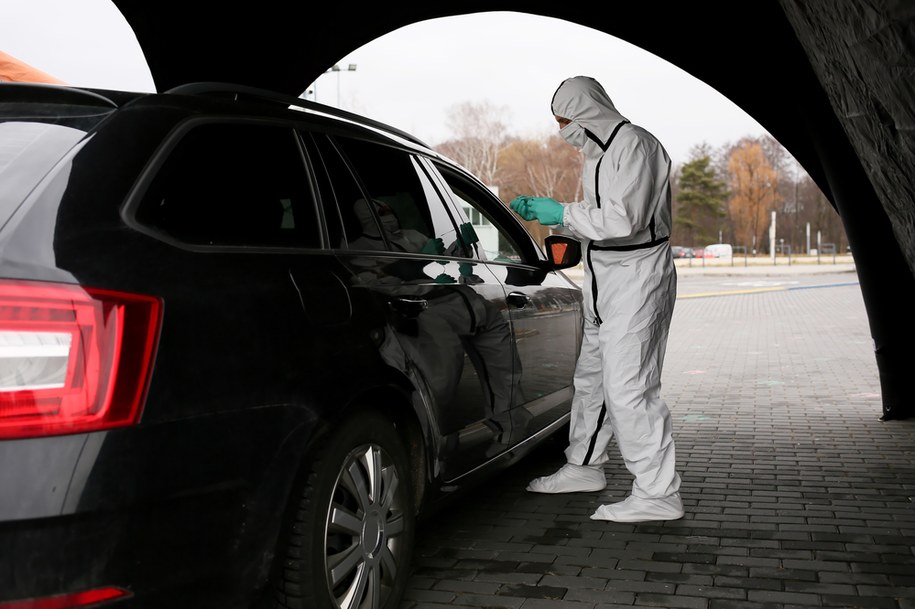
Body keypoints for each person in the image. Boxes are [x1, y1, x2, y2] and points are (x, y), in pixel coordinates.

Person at [509, 75, 683, 523]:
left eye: (564, 119)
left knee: (629, 388)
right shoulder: (598, 152)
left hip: (637, 277)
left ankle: (658, 493)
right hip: (605, 277)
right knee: (592, 380)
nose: (561, 129)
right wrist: (562, 222)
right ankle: (583, 466)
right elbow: (601, 220)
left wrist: (561, 212)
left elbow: (625, 219)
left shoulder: (635, 146)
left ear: (585, 112)